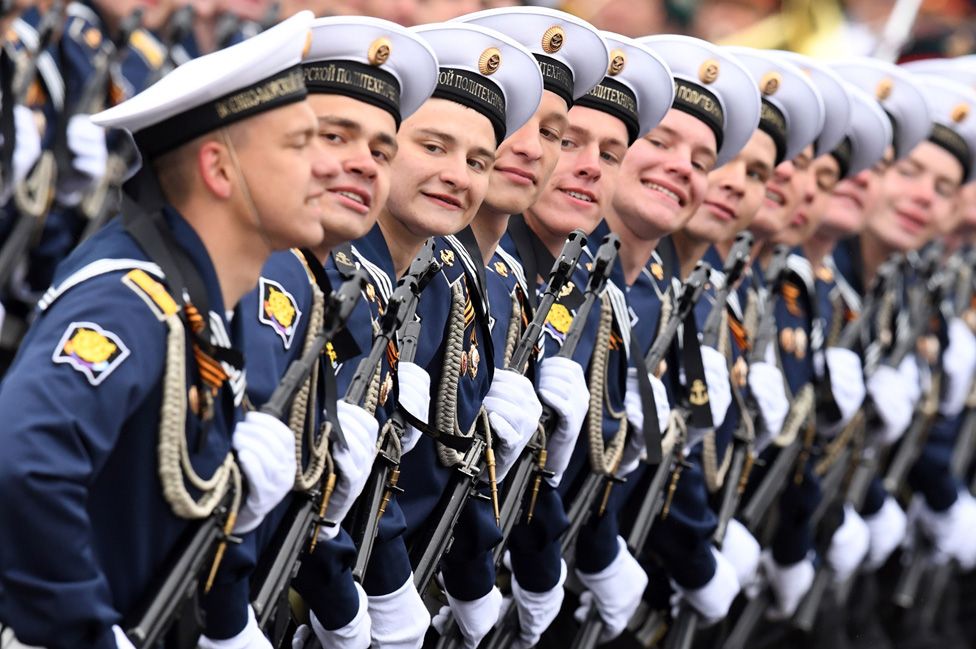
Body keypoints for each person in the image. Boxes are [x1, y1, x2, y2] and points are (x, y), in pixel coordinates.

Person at [0, 11, 328, 649]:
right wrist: (85, 632)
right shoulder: (131, 302)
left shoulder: (200, 304)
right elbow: (21, 464)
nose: (324, 168)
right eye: (298, 145)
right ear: (220, 170)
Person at [194, 16, 439, 649]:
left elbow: (302, 496)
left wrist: (343, 598)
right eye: (334, 136)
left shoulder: (325, 282)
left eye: (382, 151)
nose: (360, 165)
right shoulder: (260, 271)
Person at [347, 22, 543, 649]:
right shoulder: (345, 276)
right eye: (433, 147)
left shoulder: (439, 280)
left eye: (478, 161)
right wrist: (367, 591)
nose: (458, 175)